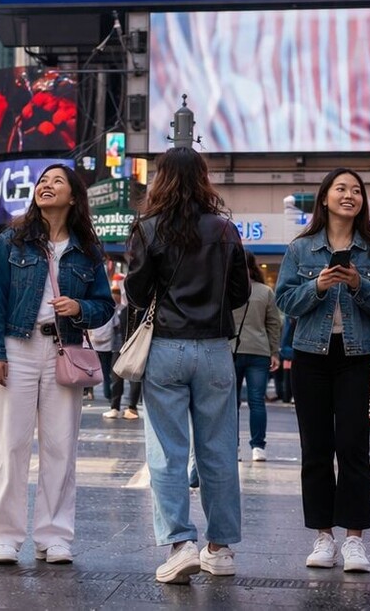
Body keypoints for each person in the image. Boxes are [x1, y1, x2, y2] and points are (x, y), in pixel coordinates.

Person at [123, 147, 250, 586]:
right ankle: (221, 548)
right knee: (218, 451)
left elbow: (137, 294)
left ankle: (180, 545)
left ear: (160, 179)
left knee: (167, 451)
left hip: (167, 349)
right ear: (203, 178)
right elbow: (239, 294)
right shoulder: (225, 229)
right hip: (215, 349)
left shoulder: (148, 228)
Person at [0, 162, 114, 566]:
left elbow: (104, 305)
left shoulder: (87, 250)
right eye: (42, 181)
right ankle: (1, 536)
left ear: (74, 196)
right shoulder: (13, 240)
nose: (46, 186)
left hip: (63, 350)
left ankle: (54, 536)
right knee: (10, 444)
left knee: (60, 447)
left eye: (57, 181)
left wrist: (79, 307)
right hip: (17, 346)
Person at [276, 168, 370, 573]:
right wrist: (319, 287)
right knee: (315, 449)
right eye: (341, 189)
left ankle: (355, 540)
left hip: (356, 356)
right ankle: (323, 536)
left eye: (357, 190)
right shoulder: (301, 249)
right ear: (324, 197)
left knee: (352, 446)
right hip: (310, 356)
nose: (350, 195)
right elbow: (286, 302)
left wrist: (360, 284)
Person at [231, 250, 282, 463]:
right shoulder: (265, 291)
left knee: (230, 404)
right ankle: (258, 447)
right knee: (257, 402)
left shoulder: (226, 289)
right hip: (259, 352)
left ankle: (233, 447)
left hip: (230, 351)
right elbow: (274, 323)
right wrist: (274, 352)